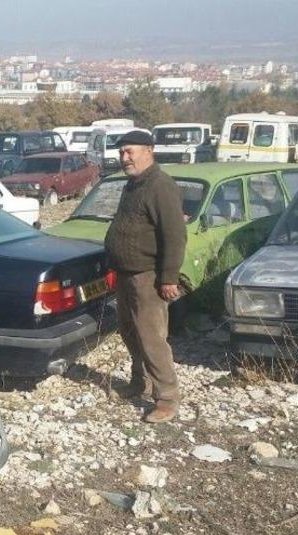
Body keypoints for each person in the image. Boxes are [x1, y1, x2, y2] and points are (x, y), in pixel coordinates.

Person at [103, 131, 187, 423]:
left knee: (151, 338)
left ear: (149, 151)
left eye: (130, 152)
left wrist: (168, 277)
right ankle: (140, 382)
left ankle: (167, 399)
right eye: (121, 153)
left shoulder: (160, 185)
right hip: (126, 275)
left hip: (148, 277)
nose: (124, 158)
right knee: (129, 332)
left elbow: (175, 235)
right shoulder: (133, 184)